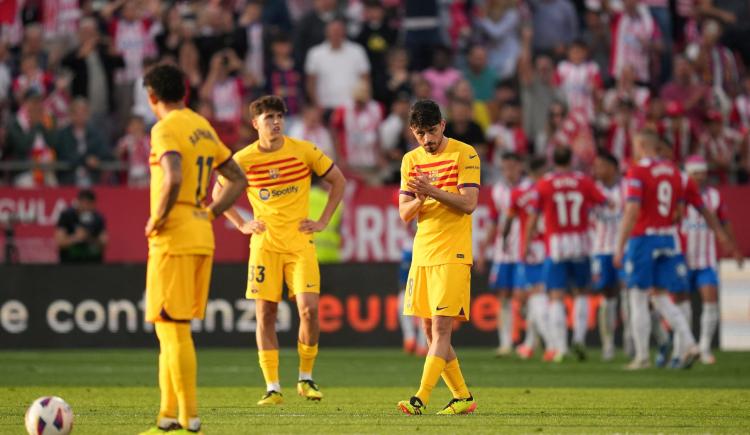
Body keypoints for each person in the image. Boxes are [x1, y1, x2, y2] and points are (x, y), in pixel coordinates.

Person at [213, 95, 346, 406]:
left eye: (279, 116)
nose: (275, 122)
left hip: (300, 243)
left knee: (310, 310)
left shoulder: (303, 150)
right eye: (269, 117)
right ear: (255, 123)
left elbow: (338, 181)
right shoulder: (243, 159)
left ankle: (306, 378)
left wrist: (324, 219)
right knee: (266, 314)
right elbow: (217, 192)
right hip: (266, 246)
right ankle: (272, 386)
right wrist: (242, 223)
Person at [139, 64, 247, 435]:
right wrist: (211, 213)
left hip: (174, 234)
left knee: (172, 329)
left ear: (152, 96)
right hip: (201, 232)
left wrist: (157, 218)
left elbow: (171, 176)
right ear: (183, 92)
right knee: (170, 328)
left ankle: (189, 418)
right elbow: (237, 178)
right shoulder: (202, 125)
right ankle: (167, 417)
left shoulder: (164, 128)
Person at [397, 99, 479, 415]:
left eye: (431, 131)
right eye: (420, 133)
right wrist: (419, 200)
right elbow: (405, 213)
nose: (427, 140)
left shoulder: (465, 153)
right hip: (423, 252)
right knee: (430, 332)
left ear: (442, 125)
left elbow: (469, 203)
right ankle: (462, 397)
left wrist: (430, 192)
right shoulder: (409, 161)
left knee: (442, 329)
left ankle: (421, 397)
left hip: (453, 251)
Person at [613, 129, 699, 371]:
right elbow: (680, 212)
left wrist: (619, 246)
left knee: (637, 296)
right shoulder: (675, 172)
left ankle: (641, 357)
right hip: (668, 238)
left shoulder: (638, 171)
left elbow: (631, 211)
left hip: (644, 239)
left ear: (640, 144)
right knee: (660, 295)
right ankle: (690, 343)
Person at [525, 147, 608, 362]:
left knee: (555, 296)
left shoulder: (544, 183)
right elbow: (605, 203)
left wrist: (525, 244)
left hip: (556, 246)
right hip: (580, 243)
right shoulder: (584, 181)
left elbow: (533, 218)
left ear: (554, 160)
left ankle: (561, 348)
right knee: (581, 293)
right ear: (571, 159)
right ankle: (579, 338)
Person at [683, 155, 743, 364]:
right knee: (682, 306)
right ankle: (684, 346)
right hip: (682, 259)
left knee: (710, 302)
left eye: (702, 173)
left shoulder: (714, 196)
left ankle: (705, 347)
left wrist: (733, 248)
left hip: (706, 259)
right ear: (688, 174)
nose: (700, 177)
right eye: (695, 173)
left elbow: (724, 223)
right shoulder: (679, 195)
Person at [504, 155, 553, 361]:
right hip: (552, 246)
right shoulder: (552, 188)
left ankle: (553, 345)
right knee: (535, 296)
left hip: (532, 249)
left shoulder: (519, 193)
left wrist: (505, 240)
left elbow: (509, 219)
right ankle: (530, 343)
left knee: (534, 296)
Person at [477, 152, 525, 356]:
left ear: (519, 167)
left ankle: (530, 341)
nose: (509, 172)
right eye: (505, 168)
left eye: (512, 167)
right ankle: (506, 342)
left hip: (525, 250)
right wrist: (483, 250)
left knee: (525, 297)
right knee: (503, 295)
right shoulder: (498, 191)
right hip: (503, 253)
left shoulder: (528, 188)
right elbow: (494, 222)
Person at [591, 149, 625, 361]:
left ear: (612, 168)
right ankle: (608, 344)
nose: (596, 170)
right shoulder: (592, 189)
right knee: (607, 296)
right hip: (601, 250)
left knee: (632, 295)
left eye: (600, 165)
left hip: (625, 248)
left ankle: (632, 341)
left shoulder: (628, 187)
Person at [55, 189, 108, 263]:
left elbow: (104, 243)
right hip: (69, 263)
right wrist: (75, 238)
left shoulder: (98, 218)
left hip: (92, 263)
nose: (85, 207)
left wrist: (89, 237)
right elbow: (60, 242)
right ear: (77, 202)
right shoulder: (66, 215)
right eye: (83, 203)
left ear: (94, 205)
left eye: (88, 204)